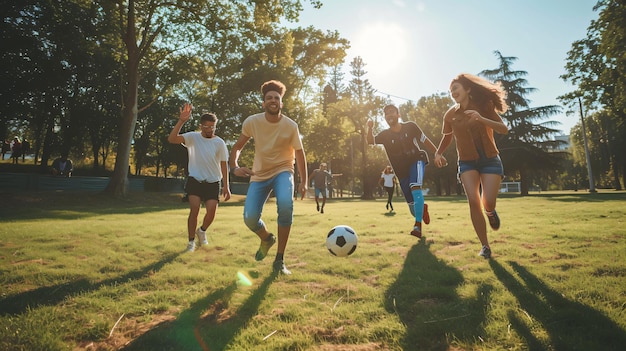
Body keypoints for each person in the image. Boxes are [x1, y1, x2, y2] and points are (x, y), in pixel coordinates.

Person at [229, 80, 307, 275]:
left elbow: (300, 153)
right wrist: (234, 167)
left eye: (277, 98)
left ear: (281, 103)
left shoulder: (291, 126)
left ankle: (279, 259)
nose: (273, 100)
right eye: (269, 98)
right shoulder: (252, 122)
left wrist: (303, 181)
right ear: (263, 103)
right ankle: (266, 238)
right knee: (250, 218)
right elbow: (237, 147)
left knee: (286, 205)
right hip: (259, 174)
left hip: (283, 170)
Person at [434, 73, 509, 259]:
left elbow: (503, 129)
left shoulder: (484, 106)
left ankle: (490, 212)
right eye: (451, 90)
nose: (453, 93)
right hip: (467, 161)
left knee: (488, 202)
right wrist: (438, 152)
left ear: (467, 89)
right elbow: (447, 136)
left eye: (456, 88)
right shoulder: (450, 115)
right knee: (474, 201)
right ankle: (485, 246)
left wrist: (481, 118)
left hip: (490, 159)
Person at [366, 104, 441, 238]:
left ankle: (417, 226)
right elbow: (370, 141)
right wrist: (370, 128)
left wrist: (438, 153)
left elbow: (424, 140)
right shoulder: (384, 135)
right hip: (401, 172)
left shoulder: (410, 126)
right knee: (413, 208)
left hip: (416, 160)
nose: (389, 115)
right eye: (386, 113)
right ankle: (421, 209)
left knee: (415, 186)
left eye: (392, 112)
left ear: (398, 115)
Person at [168, 104, 231, 252]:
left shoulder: (219, 143)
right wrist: (181, 121)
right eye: (206, 126)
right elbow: (172, 139)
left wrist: (226, 186)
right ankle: (191, 242)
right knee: (194, 209)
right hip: (195, 179)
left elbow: (224, 165)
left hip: (213, 181)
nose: (209, 129)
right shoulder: (192, 137)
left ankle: (201, 231)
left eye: (212, 127)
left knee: (211, 212)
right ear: (200, 126)